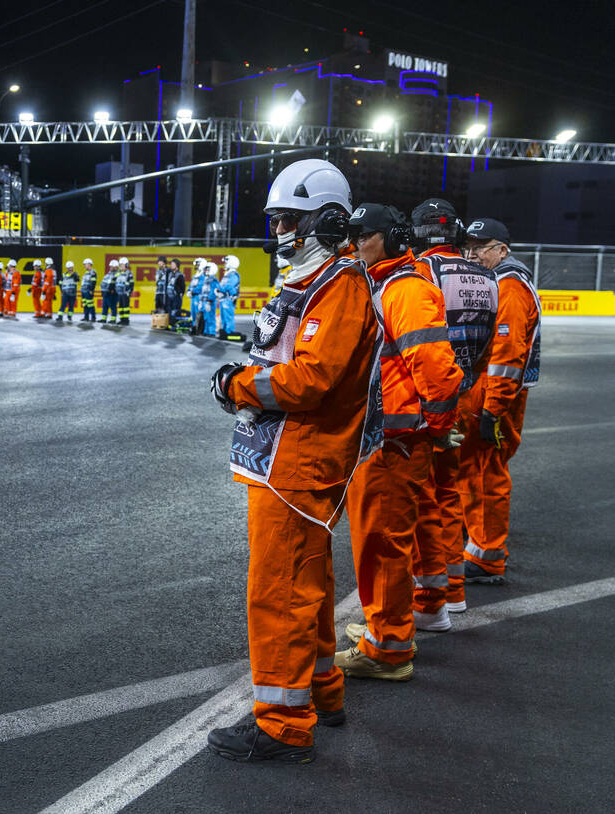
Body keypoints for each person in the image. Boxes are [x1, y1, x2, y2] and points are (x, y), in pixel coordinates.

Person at [207, 159, 382, 764]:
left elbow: (311, 379)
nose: (279, 231)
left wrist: (238, 385)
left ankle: (283, 724)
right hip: (293, 459)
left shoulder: (339, 285)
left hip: (298, 461)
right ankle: (323, 694)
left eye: (289, 220)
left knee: (279, 591)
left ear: (327, 221)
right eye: (277, 219)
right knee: (307, 583)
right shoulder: (321, 281)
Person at [336, 203, 462, 682]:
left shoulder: (405, 289)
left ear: (390, 238)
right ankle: (383, 626)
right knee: (379, 542)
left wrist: (428, 429)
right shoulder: (386, 284)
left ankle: (388, 648)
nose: (354, 245)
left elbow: (439, 372)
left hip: (396, 443)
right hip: (386, 440)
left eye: (363, 236)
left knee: (383, 544)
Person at [409, 199, 499, 617]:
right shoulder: (489, 277)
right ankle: (455, 592)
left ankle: (426, 603)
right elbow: (486, 352)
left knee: (421, 503)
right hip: (461, 398)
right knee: (449, 496)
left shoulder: (419, 275)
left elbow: (418, 348)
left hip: (424, 406)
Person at [458, 218, 541, 585]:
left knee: (485, 472)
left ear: (502, 250)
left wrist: (493, 409)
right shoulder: (502, 280)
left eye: (481, 246)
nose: (472, 253)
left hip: (495, 396)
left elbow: (507, 355)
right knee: (476, 471)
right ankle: (477, 538)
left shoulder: (508, 285)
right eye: (469, 246)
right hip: (492, 393)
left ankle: (487, 557)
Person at [216, 255, 241, 339]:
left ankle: (229, 332)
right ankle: (225, 332)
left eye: (226, 262)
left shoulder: (233, 274)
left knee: (228, 317)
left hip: (229, 299)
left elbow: (229, 286)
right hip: (224, 299)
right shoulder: (227, 274)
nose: (225, 264)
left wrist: (219, 289)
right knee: (223, 317)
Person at [188, 260, 209, 335]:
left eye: (197, 265)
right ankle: (194, 328)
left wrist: (192, 291)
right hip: (193, 297)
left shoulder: (203, 276)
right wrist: (189, 290)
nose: (196, 266)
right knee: (193, 313)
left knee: (199, 313)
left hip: (199, 296)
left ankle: (200, 329)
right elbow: (191, 285)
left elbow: (200, 286)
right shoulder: (195, 275)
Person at [204, 260, 222, 336]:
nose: (206, 271)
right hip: (205, 301)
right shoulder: (206, 279)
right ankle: (206, 331)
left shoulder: (213, 280)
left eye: (208, 269)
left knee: (211, 317)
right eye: (206, 269)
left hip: (211, 301)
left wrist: (209, 301)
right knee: (206, 317)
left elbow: (213, 291)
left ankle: (212, 332)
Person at [100, 259, 119, 323]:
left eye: (113, 267)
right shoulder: (107, 275)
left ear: (116, 267)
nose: (111, 268)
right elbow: (103, 283)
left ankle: (113, 320)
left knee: (113, 307)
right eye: (111, 266)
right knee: (104, 306)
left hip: (113, 294)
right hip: (106, 293)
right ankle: (103, 319)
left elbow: (117, 284)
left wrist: (113, 290)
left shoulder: (118, 275)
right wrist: (102, 291)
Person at [117, 256, 134, 325]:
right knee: (120, 307)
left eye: (122, 265)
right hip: (119, 293)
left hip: (125, 293)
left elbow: (132, 284)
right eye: (120, 265)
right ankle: (121, 319)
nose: (121, 266)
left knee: (125, 307)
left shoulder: (129, 273)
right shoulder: (119, 273)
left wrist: (129, 292)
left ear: (126, 265)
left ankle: (126, 320)